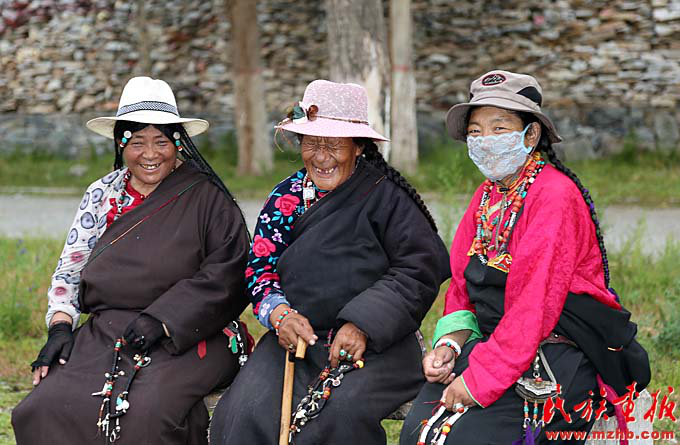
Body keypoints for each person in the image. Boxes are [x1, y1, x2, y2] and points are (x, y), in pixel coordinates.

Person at [400, 70, 650, 445]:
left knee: (463, 439)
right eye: (475, 132)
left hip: (559, 348)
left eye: (499, 129)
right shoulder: (487, 196)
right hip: (497, 342)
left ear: (530, 135)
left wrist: (480, 379)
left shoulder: (555, 197)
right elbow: (462, 284)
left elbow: (535, 303)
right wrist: (449, 345)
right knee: (417, 432)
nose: (485, 141)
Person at [209, 79, 450, 444]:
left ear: (358, 147)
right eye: (312, 143)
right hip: (295, 339)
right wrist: (280, 315)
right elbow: (260, 268)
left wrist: (362, 324)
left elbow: (417, 270)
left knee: (337, 414)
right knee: (243, 413)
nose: (321, 157)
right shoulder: (286, 198)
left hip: (379, 343)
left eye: (334, 145)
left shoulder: (388, 198)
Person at [12, 77, 251, 445]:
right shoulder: (101, 195)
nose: (150, 154)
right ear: (121, 144)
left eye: (161, 142)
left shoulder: (208, 198)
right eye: (137, 142)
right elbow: (70, 270)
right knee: (42, 408)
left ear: (178, 144)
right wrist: (60, 326)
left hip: (191, 333)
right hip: (108, 332)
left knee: (144, 414)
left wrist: (164, 320)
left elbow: (229, 274)